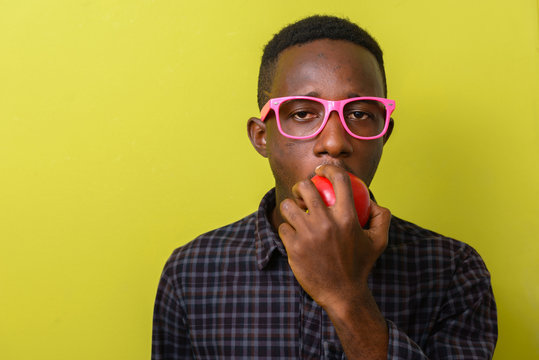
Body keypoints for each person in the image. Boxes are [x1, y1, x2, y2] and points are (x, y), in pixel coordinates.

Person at [152, 15, 497, 359]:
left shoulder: (453, 271)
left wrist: (346, 296)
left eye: (360, 114)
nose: (334, 142)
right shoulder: (191, 274)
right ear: (262, 137)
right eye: (303, 113)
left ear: (384, 136)